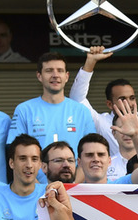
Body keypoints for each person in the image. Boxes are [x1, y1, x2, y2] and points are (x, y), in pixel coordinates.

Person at [8, 52, 97, 183]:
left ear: (67, 76)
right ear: (39, 76)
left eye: (60, 71)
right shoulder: (24, 110)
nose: (55, 75)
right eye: (49, 71)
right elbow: (15, 154)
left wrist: (72, 187)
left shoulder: (81, 111)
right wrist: (38, 189)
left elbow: (90, 152)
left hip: (74, 189)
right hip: (36, 190)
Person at [69, 46, 138, 158]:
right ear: (109, 104)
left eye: (132, 98)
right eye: (123, 99)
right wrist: (90, 62)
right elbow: (77, 99)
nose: (129, 103)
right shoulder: (102, 123)